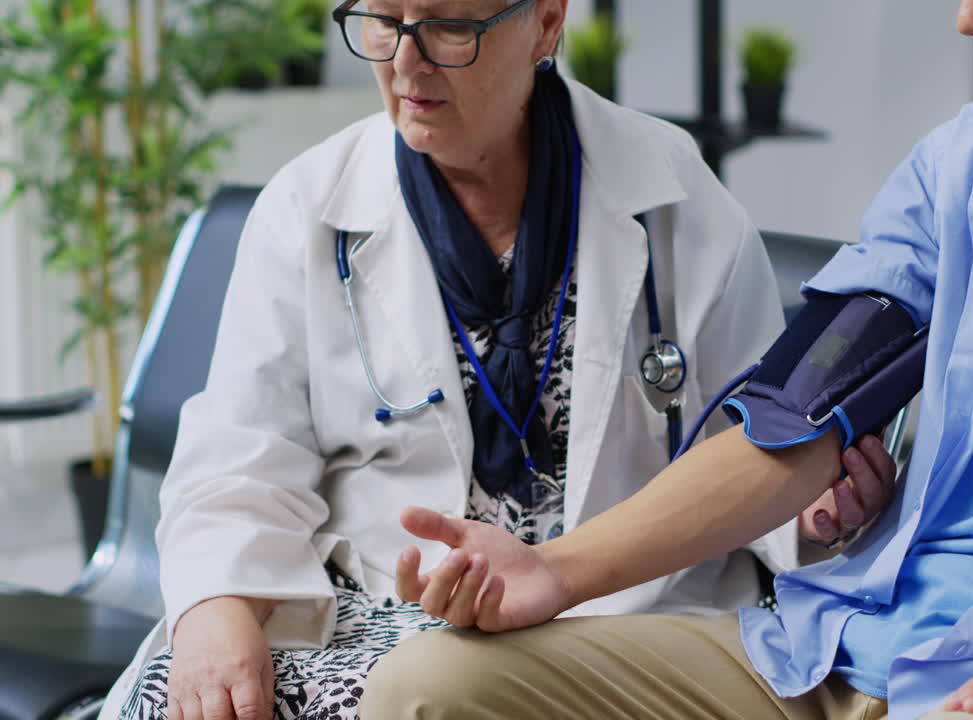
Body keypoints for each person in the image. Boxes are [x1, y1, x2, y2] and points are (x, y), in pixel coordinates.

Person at [358, 0, 973, 718]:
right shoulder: (966, 168)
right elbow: (794, 423)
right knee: (430, 690)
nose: (970, 19)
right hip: (832, 652)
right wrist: (555, 570)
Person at [98, 1, 897, 718]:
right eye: (383, 21)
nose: (406, 62)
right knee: (169, 697)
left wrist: (810, 512)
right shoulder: (308, 205)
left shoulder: (673, 194)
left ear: (546, 23)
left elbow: (754, 443)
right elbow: (239, 458)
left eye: (448, 28)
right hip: (372, 607)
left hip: (611, 621)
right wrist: (217, 610)